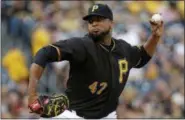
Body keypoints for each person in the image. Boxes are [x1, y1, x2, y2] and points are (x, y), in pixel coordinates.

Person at [28, 3, 163, 119]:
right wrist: (32, 94)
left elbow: (142, 57)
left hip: (107, 116)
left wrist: (155, 38)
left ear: (111, 23)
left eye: (99, 19)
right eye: (91, 21)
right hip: (75, 115)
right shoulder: (82, 45)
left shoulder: (123, 48)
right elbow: (43, 54)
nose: (94, 23)